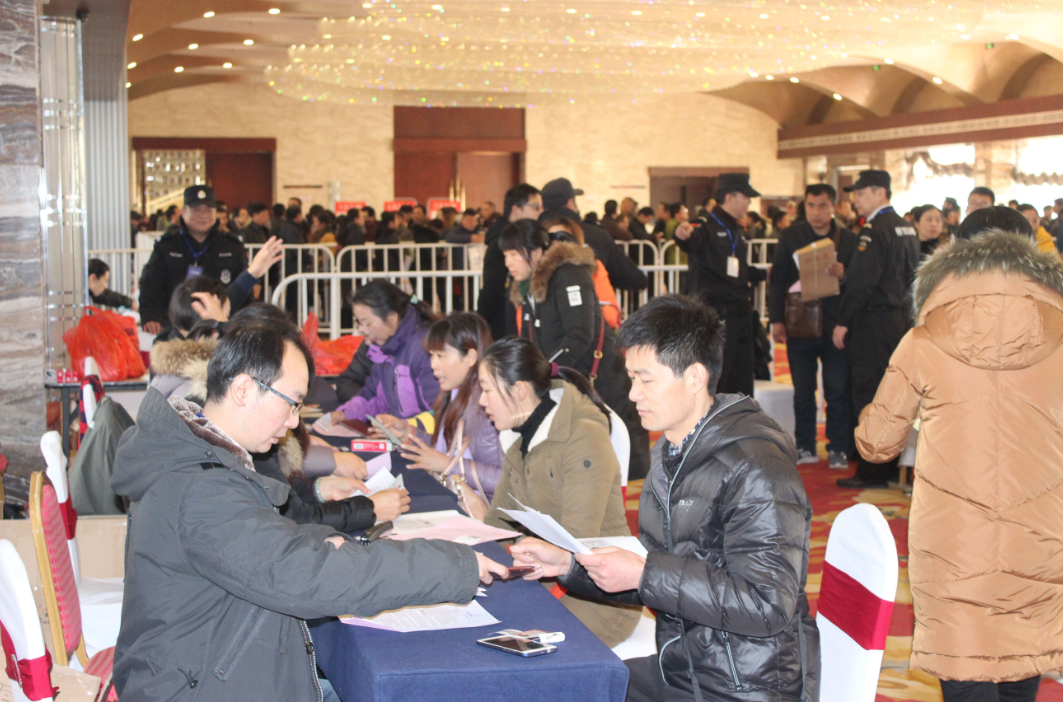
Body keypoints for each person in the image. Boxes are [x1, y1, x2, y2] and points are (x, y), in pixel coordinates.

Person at [111, 323, 508, 702]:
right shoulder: (202, 488)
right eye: (291, 403)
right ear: (244, 390)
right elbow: (304, 574)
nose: (294, 421)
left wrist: (321, 539)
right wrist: (452, 566)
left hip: (207, 669)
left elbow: (263, 541)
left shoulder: (201, 458)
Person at [511, 294, 819, 702]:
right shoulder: (672, 455)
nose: (632, 394)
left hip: (745, 684)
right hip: (687, 666)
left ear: (695, 377)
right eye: (631, 378)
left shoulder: (757, 468)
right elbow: (657, 577)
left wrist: (644, 574)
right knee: (557, 683)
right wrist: (569, 565)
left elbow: (767, 606)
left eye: (646, 380)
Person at [853, 210, 1060, 702]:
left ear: (955, 255)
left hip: (953, 538)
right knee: (1023, 663)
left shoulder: (925, 336)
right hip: (1042, 529)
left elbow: (876, 443)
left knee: (964, 672)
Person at [480, 338, 641, 647]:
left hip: (602, 596)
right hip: (548, 579)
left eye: (487, 390)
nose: (481, 401)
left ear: (520, 391)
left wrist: (518, 547)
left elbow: (577, 541)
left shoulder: (584, 435)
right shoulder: (520, 439)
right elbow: (497, 524)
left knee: (516, 646)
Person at [500, 219, 650, 480]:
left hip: (600, 383)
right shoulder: (530, 286)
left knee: (621, 471)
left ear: (536, 252)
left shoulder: (568, 274)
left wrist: (543, 371)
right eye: (505, 255)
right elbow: (531, 340)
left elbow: (580, 334)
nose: (508, 262)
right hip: (571, 387)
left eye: (513, 254)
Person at [832, 169, 920, 488]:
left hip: (873, 322)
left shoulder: (874, 229)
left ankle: (872, 468)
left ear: (879, 192)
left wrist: (843, 321)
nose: (855, 200)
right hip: (899, 320)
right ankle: (892, 463)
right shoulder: (906, 227)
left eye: (860, 193)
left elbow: (862, 283)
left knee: (869, 392)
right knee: (893, 392)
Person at [373, 313, 503, 515]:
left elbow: (503, 479)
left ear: (470, 357)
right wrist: (408, 433)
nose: (433, 364)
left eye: (441, 356)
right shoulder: (456, 393)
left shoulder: (486, 407)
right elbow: (447, 447)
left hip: (482, 513)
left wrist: (447, 464)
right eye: (432, 355)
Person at [768, 183, 855, 469]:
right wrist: (776, 319)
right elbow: (778, 279)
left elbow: (859, 283)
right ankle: (805, 444)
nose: (816, 212)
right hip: (799, 323)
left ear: (834, 207)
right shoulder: (791, 235)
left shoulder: (848, 239)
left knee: (837, 390)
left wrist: (844, 274)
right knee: (803, 391)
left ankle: (838, 446)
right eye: (811, 206)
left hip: (835, 325)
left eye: (822, 206)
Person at [138, 185, 283, 334]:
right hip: (175, 328)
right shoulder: (166, 246)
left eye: (208, 210)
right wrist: (150, 315)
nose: (203, 215)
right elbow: (150, 283)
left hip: (221, 330)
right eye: (197, 210)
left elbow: (244, 293)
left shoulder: (232, 246)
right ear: (184, 212)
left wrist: (247, 325)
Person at [674, 172, 768, 397]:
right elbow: (689, 240)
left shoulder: (736, 229)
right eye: (745, 197)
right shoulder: (704, 226)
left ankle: (740, 421)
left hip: (741, 314)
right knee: (716, 384)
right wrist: (680, 234)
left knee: (742, 386)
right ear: (730, 197)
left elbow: (740, 270)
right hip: (716, 317)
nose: (749, 203)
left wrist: (765, 274)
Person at [330, 281, 440, 425]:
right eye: (359, 323)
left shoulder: (422, 350)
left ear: (392, 319)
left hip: (424, 435)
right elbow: (373, 396)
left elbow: (440, 412)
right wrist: (345, 413)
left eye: (367, 323)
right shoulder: (383, 350)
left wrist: (408, 428)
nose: (361, 329)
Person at [539, 177, 648, 294]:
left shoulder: (533, 233)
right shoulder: (594, 234)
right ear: (570, 203)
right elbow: (632, 277)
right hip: (588, 301)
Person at [477, 183, 543, 342]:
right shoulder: (501, 243)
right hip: (505, 326)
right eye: (535, 207)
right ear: (516, 210)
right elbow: (492, 289)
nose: (540, 211)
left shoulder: (524, 239)